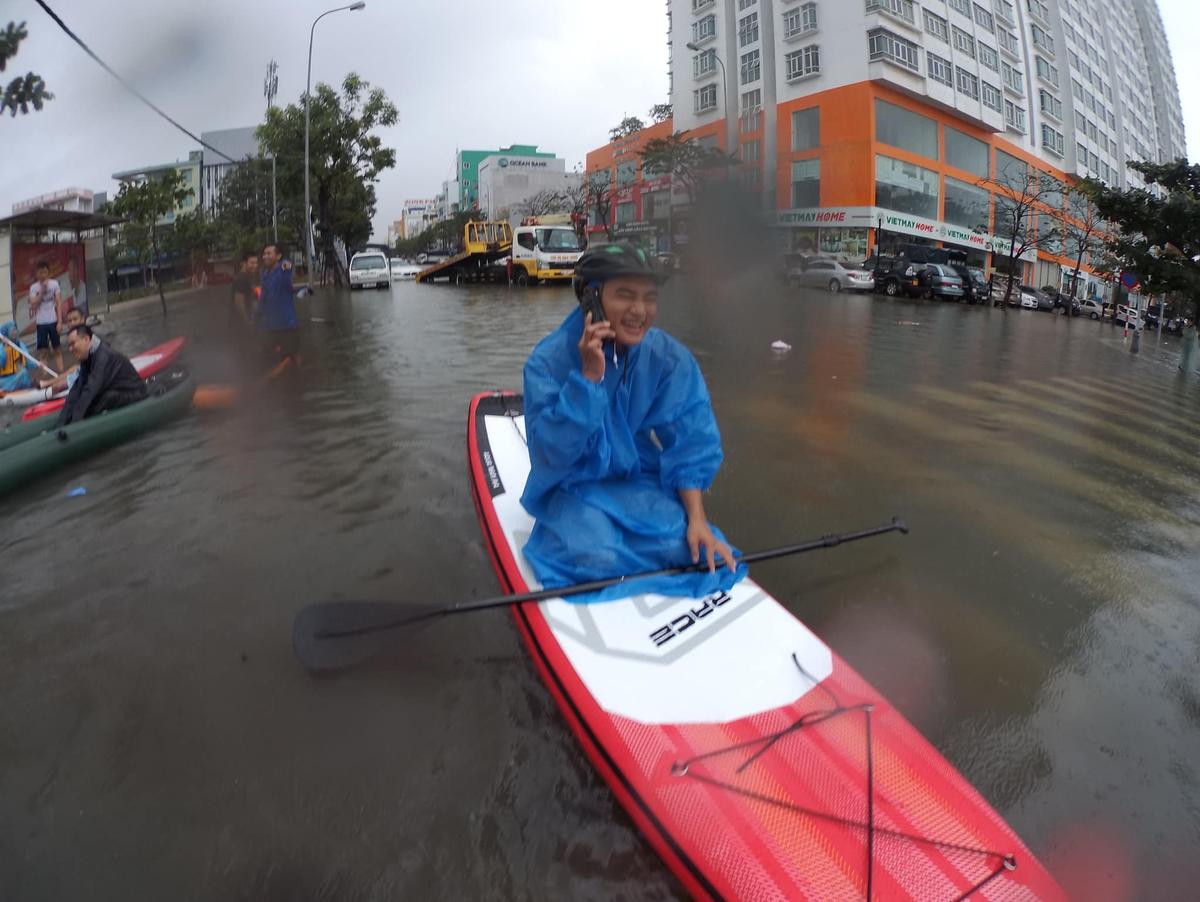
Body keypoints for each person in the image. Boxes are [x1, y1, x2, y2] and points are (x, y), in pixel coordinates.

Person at [519, 242, 745, 602]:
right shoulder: (547, 362)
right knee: (597, 556)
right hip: (571, 484)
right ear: (591, 298)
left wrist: (698, 520)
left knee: (683, 547)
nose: (640, 311)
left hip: (632, 479)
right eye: (625, 295)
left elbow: (691, 441)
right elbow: (550, 455)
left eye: (650, 298)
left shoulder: (667, 357)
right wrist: (589, 379)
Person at [56, 324, 147, 426]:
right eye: (69, 345)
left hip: (135, 393)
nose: (70, 349)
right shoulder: (86, 356)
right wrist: (61, 422)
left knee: (105, 398)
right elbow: (77, 390)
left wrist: (74, 424)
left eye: (73, 344)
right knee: (84, 399)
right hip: (113, 391)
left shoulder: (103, 356)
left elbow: (91, 388)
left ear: (86, 339)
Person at [256, 242, 299, 365]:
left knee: (291, 357)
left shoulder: (283, 271)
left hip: (287, 325)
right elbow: (263, 298)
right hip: (269, 326)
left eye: (269, 253)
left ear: (278, 256)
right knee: (267, 357)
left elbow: (288, 272)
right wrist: (256, 317)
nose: (265, 256)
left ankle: (296, 378)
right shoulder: (264, 275)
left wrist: (286, 266)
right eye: (264, 254)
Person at [28, 261, 64, 373]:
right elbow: (33, 304)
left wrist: (60, 322)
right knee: (43, 352)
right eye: (40, 272)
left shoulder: (54, 284)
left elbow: (58, 303)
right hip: (41, 323)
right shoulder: (34, 287)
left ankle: (62, 374)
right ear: (36, 274)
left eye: (44, 272)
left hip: (53, 321)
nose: (42, 274)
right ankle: (45, 377)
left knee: (57, 349)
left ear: (48, 272)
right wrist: (42, 290)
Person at [0, 321, 39, 395]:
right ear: (7, 333)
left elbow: (27, 361)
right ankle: (5, 391)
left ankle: (27, 389)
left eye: (15, 330)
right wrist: (5, 349)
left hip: (19, 376)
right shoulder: (1, 348)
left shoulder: (20, 345)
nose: (15, 332)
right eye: (12, 330)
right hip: (5, 380)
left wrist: (37, 365)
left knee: (23, 373)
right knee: (23, 373)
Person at [230, 250, 260, 328]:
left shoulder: (247, 277)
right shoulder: (241, 279)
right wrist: (247, 321)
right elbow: (239, 303)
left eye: (256, 263)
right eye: (252, 263)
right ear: (244, 263)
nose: (255, 265)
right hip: (240, 326)